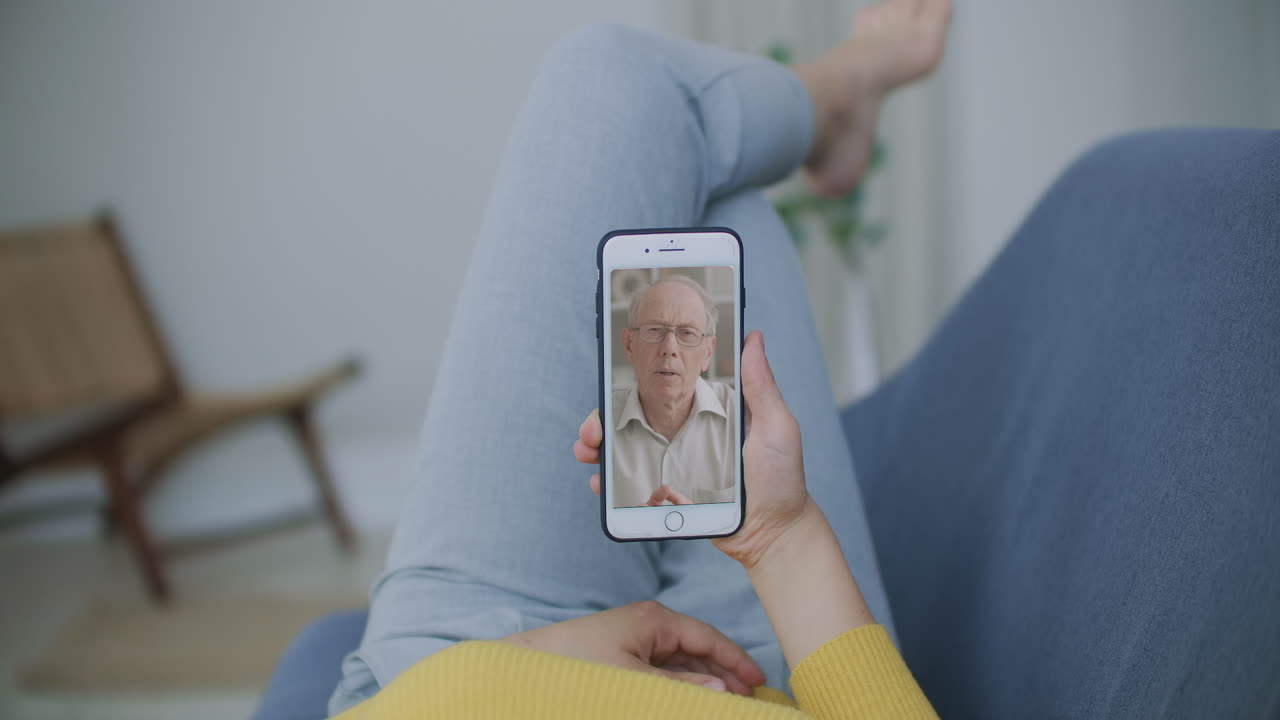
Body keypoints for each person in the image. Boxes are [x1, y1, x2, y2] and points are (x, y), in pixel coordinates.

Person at [330, 0, 952, 716]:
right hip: (757, 682)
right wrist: (778, 535)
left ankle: (838, 96)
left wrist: (539, 666)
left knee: (621, 91)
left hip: (429, 679)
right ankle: (842, 93)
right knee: (727, 212)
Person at [614, 274, 735, 507]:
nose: (669, 348)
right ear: (630, 345)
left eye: (687, 333)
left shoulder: (744, 419)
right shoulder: (601, 426)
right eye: (655, 330)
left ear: (708, 352)